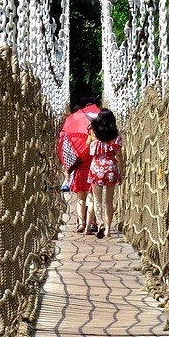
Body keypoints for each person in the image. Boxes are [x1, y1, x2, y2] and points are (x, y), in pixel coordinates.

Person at [59, 94, 102, 234]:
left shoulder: (77, 136)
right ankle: (92, 222)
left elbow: (72, 154)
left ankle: (80, 222)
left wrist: (68, 169)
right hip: (93, 170)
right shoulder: (99, 134)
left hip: (79, 170)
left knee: (80, 199)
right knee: (92, 198)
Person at [86, 108, 122, 239]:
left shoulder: (95, 133)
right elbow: (119, 156)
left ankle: (100, 222)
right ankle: (108, 229)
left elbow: (89, 149)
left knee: (97, 200)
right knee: (109, 201)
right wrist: (121, 173)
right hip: (111, 168)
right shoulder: (116, 137)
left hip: (96, 168)